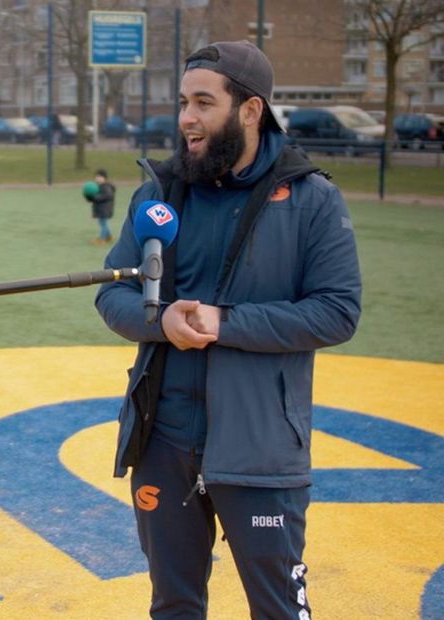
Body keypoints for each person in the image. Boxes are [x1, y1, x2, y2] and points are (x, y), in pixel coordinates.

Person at [94, 40, 361, 618]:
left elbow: (338, 311)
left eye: (203, 103)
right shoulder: (158, 194)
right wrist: (160, 319)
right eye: (184, 102)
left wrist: (226, 323)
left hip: (261, 449)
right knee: (174, 606)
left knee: (279, 610)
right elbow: (113, 292)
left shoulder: (312, 198)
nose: (187, 118)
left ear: (250, 110)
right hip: (163, 440)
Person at [85, 168, 115, 244]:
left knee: (103, 224)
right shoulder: (97, 187)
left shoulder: (106, 187)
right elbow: (96, 197)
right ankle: (108, 236)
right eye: (96, 177)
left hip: (105, 209)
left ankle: (102, 239)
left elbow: (107, 196)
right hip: (100, 209)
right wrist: (89, 198)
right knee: (102, 223)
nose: (97, 179)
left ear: (104, 178)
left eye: (99, 177)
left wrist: (94, 197)